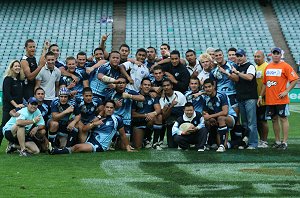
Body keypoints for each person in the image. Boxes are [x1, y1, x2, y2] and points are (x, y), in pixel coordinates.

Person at [49, 100, 134, 154]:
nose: (109, 109)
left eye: (111, 108)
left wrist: (127, 147)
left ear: (114, 109)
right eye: (107, 107)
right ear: (104, 108)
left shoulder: (117, 119)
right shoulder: (99, 117)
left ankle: (56, 151)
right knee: (78, 122)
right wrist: (94, 123)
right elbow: (85, 129)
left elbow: (123, 134)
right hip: (89, 138)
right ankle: (66, 146)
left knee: (77, 147)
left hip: (99, 145)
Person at [258, 47, 299, 150]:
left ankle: (284, 142)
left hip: (281, 99)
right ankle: (277, 141)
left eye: (278, 53)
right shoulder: (268, 67)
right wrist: (260, 96)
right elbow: (265, 84)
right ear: (271, 55)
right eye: (274, 53)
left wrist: (286, 91)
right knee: (274, 119)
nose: (276, 55)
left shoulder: (285, 66)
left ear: (281, 55)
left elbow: (294, 79)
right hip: (270, 99)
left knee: (283, 119)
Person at [231, 49, 258, 149]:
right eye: (237, 56)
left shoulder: (250, 66)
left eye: (240, 56)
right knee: (245, 123)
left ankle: (253, 143)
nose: (239, 58)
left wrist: (237, 73)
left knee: (251, 122)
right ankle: (246, 142)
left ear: (245, 56)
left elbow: (249, 77)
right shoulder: (237, 67)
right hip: (241, 98)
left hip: (250, 97)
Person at [202, 79, 237, 152]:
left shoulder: (221, 95)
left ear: (213, 86)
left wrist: (210, 116)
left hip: (230, 117)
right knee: (206, 122)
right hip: (217, 119)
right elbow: (204, 112)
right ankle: (210, 143)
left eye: (209, 87)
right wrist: (209, 118)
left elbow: (225, 112)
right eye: (205, 87)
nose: (207, 89)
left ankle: (221, 146)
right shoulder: (206, 98)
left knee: (221, 118)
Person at [132, 78, 162, 150]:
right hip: (137, 122)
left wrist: (153, 113)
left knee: (159, 116)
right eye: (145, 85)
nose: (147, 86)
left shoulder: (153, 96)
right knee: (138, 146)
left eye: (149, 85)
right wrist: (145, 115)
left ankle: (154, 142)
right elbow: (132, 114)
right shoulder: (136, 96)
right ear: (141, 86)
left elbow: (158, 109)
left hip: (149, 120)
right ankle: (144, 140)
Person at [0, 60, 25, 146]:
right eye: (15, 66)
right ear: (11, 68)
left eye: (19, 66)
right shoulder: (7, 79)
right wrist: (16, 105)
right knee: (4, 126)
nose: (17, 67)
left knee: (17, 126)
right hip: (9, 108)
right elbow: (7, 95)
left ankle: (13, 145)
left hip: (19, 108)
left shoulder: (20, 80)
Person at [160, 79, 186, 148]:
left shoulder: (180, 95)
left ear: (172, 86)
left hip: (181, 119)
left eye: (168, 85)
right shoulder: (162, 100)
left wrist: (168, 109)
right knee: (172, 146)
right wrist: (171, 106)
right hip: (170, 121)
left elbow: (185, 112)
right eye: (164, 86)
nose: (166, 87)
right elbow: (164, 117)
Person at [254, 50, 269, 148]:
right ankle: (261, 139)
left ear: (263, 57)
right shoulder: (255, 67)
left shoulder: (266, 67)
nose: (256, 58)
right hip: (256, 99)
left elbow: (267, 83)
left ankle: (264, 140)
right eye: (255, 56)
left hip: (264, 98)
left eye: (258, 56)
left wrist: (262, 96)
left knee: (263, 120)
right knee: (258, 120)